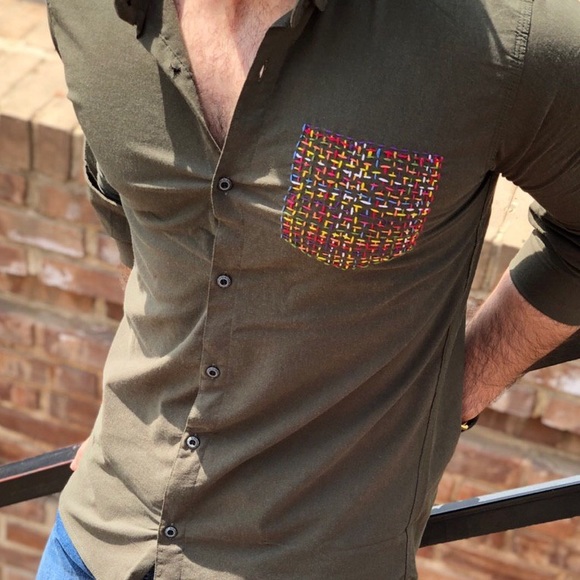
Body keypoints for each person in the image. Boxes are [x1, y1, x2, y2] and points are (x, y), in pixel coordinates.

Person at [37, 0, 580, 578]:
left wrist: (458, 389)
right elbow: (121, 192)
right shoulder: (87, 14)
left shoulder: (500, 38)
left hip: (315, 555)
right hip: (97, 538)